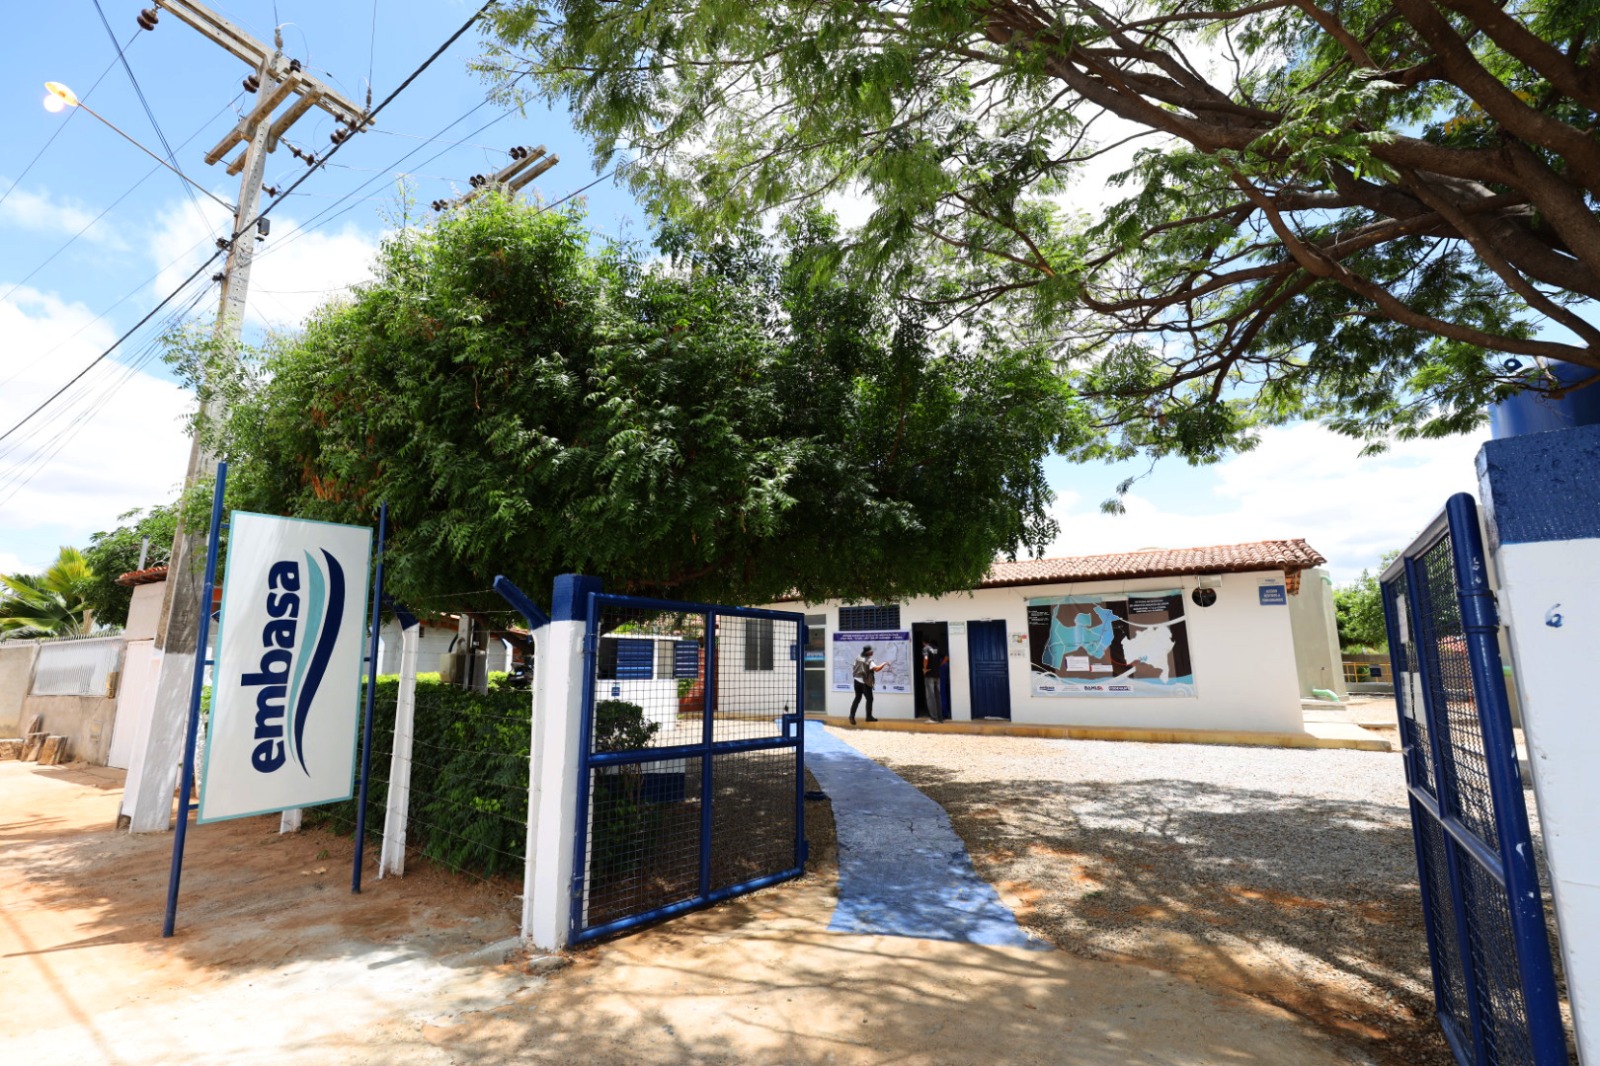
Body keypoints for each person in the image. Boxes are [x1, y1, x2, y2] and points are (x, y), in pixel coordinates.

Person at [849, 645, 888, 725]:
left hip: (856, 681)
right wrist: (884, 663)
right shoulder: (869, 661)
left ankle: (851, 716)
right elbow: (877, 669)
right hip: (865, 682)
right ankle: (869, 717)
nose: (872, 652)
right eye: (871, 651)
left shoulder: (858, 657)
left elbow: (854, 666)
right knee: (870, 699)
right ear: (868, 652)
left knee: (857, 698)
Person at [921, 640, 948, 722]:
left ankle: (933, 718)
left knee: (930, 697)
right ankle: (940, 718)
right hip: (937, 675)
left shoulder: (926, 649)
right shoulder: (937, 649)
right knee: (937, 696)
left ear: (924, 642)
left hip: (929, 675)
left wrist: (925, 669)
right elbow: (946, 658)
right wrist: (940, 665)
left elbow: (926, 659)